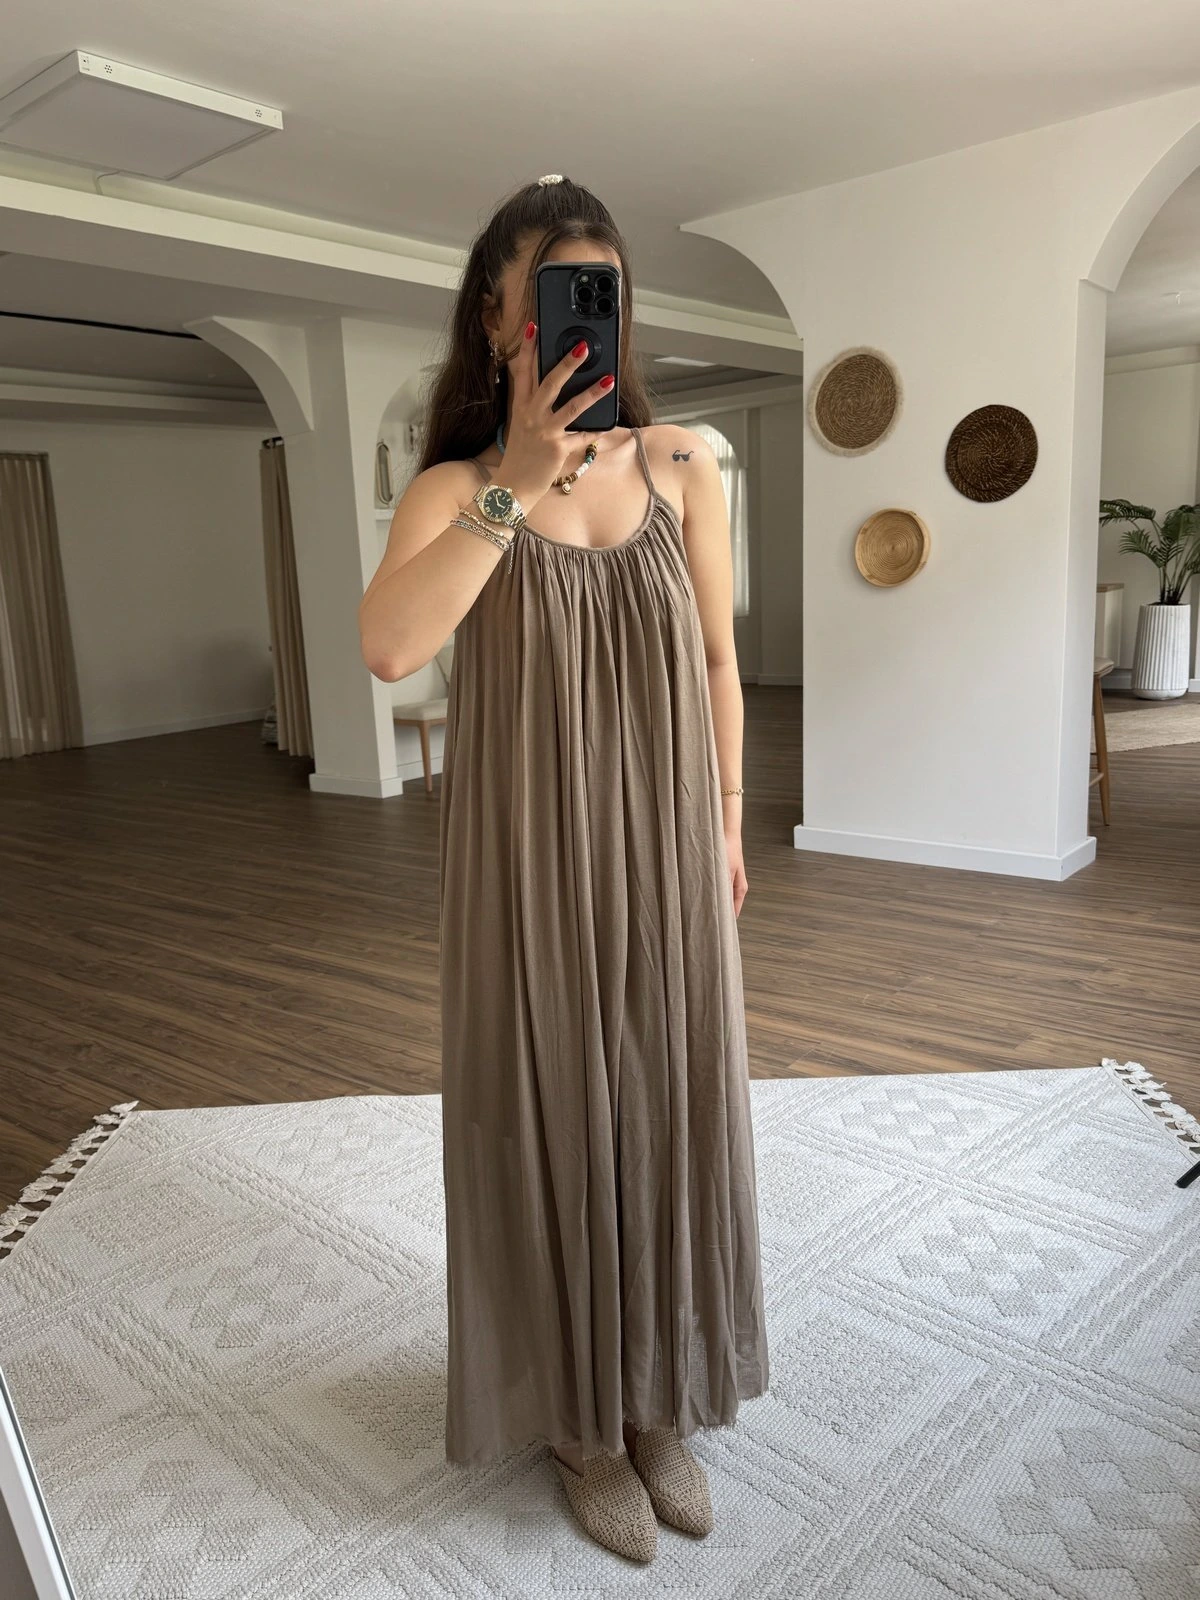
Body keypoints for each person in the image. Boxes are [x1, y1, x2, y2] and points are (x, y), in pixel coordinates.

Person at [359, 174, 769, 1565]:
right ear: (495, 320)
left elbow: (718, 660)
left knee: (666, 1106)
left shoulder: (687, 464)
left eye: (601, 296)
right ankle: (580, 1426)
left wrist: (726, 821)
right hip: (526, 860)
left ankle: (656, 1399)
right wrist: (521, 481)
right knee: (546, 1117)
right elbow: (390, 648)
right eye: (547, 298)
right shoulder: (455, 492)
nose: (576, 324)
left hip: (669, 845)